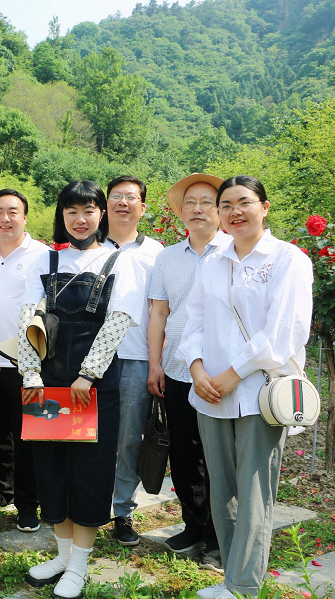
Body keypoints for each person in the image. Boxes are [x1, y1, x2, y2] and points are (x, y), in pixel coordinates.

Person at [176, 176, 312, 599]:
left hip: (259, 396)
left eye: (244, 203)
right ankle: (231, 580)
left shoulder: (288, 259)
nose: (235, 212)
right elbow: (192, 320)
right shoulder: (214, 262)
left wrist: (231, 375)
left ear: (264, 207)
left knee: (254, 497)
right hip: (210, 395)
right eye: (227, 205)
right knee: (223, 493)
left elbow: (283, 333)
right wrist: (197, 370)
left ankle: (244, 587)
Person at [19, 181, 144, 599]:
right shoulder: (47, 258)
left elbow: (119, 319)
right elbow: (28, 317)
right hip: (47, 382)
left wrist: (88, 375)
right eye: (71, 210)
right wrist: (31, 373)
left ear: (101, 214)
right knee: (50, 467)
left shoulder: (117, 260)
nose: (80, 218)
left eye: (88, 210)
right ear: (62, 215)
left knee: (89, 471)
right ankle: (61, 554)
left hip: (92, 385)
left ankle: (80, 565)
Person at [148, 173, 229, 571]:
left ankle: (219, 537)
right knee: (184, 454)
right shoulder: (167, 257)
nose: (197, 209)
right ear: (180, 212)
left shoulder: (234, 252)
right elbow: (159, 313)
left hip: (223, 376)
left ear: (221, 210)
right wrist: (154, 362)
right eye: (190, 203)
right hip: (178, 370)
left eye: (206, 202)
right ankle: (193, 525)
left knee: (220, 457)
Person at [0, 188, 49, 531]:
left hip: (26, 364)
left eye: (12, 212)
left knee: (27, 437)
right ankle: (0, 494)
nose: (5, 219)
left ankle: (27, 504)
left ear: (25, 216)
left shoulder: (44, 256)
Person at [104, 175, 164, 546]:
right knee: (85, 435)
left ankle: (122, 512)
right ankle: (85, 504)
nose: (123, 202)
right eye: (115, 196)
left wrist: (156, 363)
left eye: (131, 197)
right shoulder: (88, 247)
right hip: (88, 360)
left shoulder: (157, 253)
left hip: (137, 357)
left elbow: (162, 310)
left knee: (128, 437)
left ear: (143, 207)